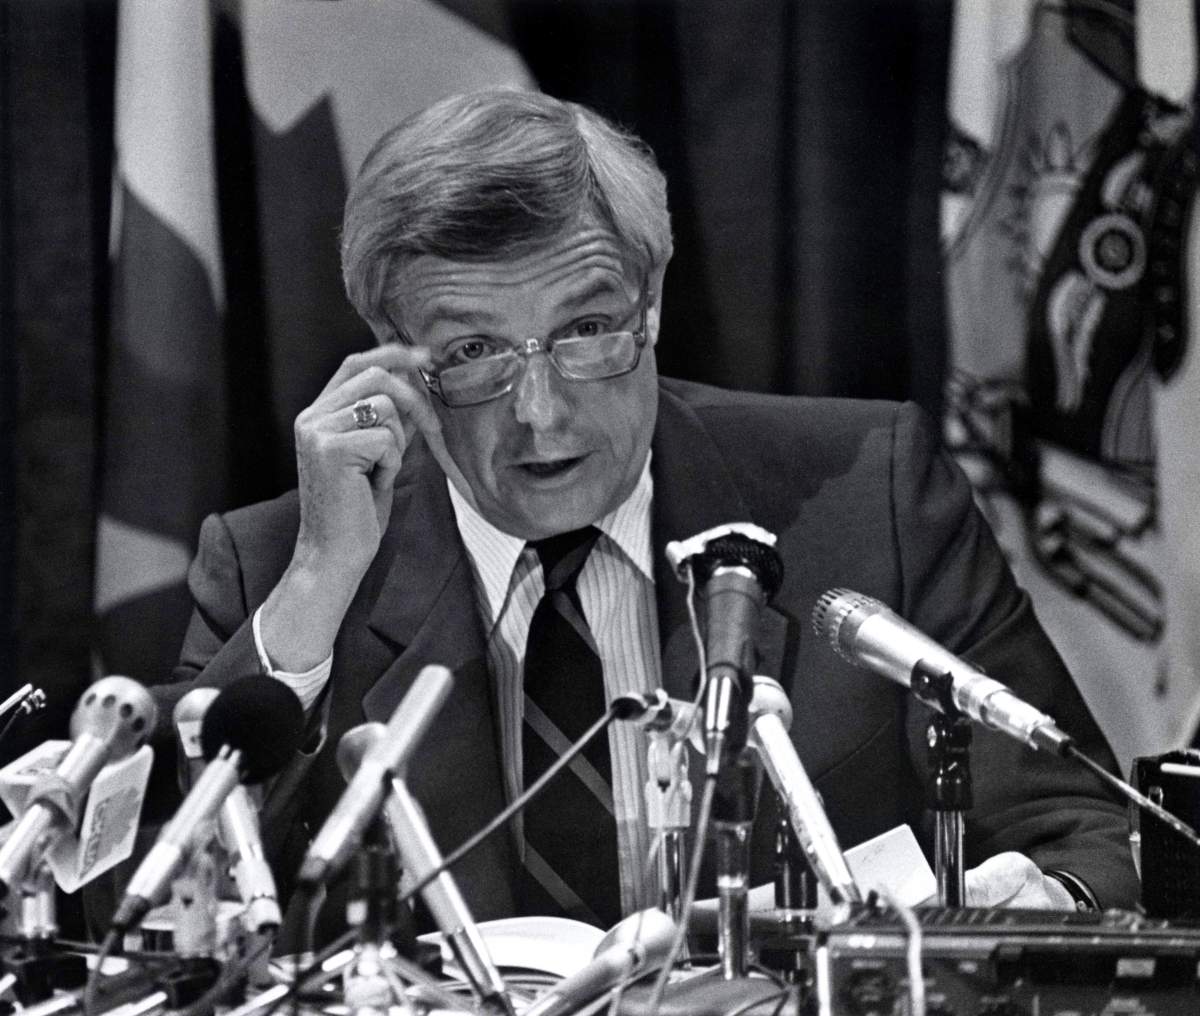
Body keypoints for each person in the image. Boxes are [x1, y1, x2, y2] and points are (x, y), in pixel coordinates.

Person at [155, 90, 1138, 935]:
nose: (539, 415)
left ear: (653, 300)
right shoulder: (281, 559)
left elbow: (1089, 829)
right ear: (388, 355)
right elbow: (155, 911)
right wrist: (315, 593)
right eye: (473, 354)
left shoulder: (868, 490)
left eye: (585, 331)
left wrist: (1037, 898)